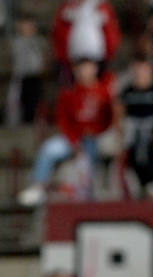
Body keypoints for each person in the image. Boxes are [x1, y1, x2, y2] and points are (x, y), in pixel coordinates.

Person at [19, 59, 114, 206]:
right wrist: (74, 141)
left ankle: (106, 190)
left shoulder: (104, 92)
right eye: (80, 69)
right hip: (75, 139)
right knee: (49, 148)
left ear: (95, 69)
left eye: (87, 68)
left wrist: (96, 133)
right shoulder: (68, 94)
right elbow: (63, 122)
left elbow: (110, 119)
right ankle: (37, 186)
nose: (84, 72)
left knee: (108, 145)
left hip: (97, 138)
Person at [116, 58, 153, 197]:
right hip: (132, 130)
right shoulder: (127, 91)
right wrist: (120, 133)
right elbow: (119, 113)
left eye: (143, 70)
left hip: (152, 129)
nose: (140, 73)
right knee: (130, 155)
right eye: (137, 70)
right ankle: (135, 187)